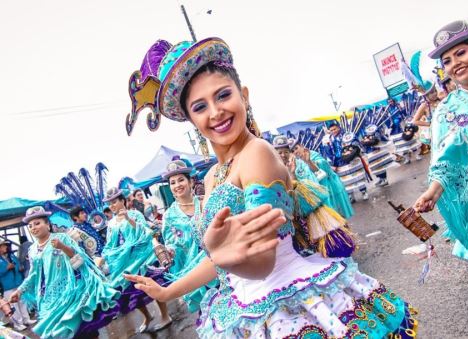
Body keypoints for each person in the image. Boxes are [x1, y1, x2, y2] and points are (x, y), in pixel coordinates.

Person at [124, 37, 417, 338]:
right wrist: (168, 291)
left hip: (287, 304)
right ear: (192, 120)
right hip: (244, 300)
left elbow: (262, 262)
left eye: (223, 95)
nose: (215, 112)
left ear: (244, 96)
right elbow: (223, 260)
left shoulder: (257, 154)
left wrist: (222, 254)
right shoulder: (212, 176)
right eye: (200, 107)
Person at [414, 20, 468, 299]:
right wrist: (432, 192)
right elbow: (445, 163)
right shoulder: (447, 112)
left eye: (461, 53)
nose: (454, 64)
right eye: (447, 60)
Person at [10, 206, 119, 338]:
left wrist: (62, 247)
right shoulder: (32, 250)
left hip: (73, 292)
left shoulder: (62, 238)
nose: (33, 227)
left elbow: (79, 260)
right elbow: (33, 274)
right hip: (51, 298)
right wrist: (20, 290)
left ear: (47, 224)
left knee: (86, 332)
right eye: (30, 225)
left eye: (37, 223)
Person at [100, 187, 170, 332]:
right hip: (122, 264)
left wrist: (127, 218)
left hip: (140, 259)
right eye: (110, 203)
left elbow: (144, 230)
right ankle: (147, 316)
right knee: (130, 293)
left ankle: (165, 316)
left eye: (114, 202)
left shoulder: (134, 214)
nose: (112, 206)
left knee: (153, 286)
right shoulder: (111, 223)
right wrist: (105, 257)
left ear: (122, 201)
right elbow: (109, 244)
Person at [161, 160, 218, 313]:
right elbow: (170, 243)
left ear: (191, 181)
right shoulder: (169, 216)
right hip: (195, 273)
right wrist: (170, 252)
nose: (177, 185)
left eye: (181, 180)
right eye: (172, 182)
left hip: (219, 265)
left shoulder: (205, 202)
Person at [292, 141, 354, 219]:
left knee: (337, 216)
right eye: (292, 151)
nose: (295, 152)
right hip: (314, 195)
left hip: (328, 189)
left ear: (301, 146)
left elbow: (322, 171)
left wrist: (308, 162)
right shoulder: (296, 163)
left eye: (296, 148)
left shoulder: (313, 155)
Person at [0, 240, 34, 331]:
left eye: (4, 246)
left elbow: (18, 263)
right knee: (13, 305)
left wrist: (20, 267)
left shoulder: (11, 255)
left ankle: (26, 319)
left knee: (22, 302)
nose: (5, 247)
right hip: (7, 286)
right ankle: (18, 324)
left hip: (18, 282)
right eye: (3, 246)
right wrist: (6, 268)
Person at [412, 83, 440, 155]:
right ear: (426, 95)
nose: (435, 93)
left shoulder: (441, 100)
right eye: (431, 92)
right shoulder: (424, 106)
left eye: (435, 91)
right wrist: (430, 124)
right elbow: (415, 121)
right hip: (436, 135)